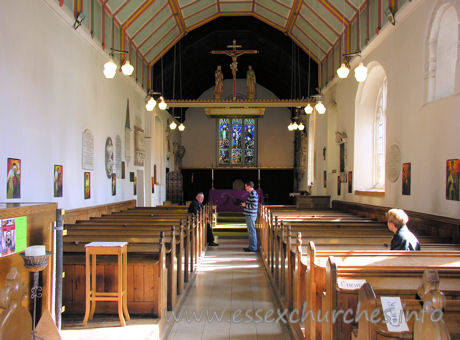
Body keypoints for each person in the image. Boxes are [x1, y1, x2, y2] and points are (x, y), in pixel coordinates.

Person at [241, 181, 258, 252]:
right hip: (250, 214)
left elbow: (253, 205)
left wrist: (245, 205)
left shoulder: (253, 193)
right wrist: (245, 204)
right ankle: (251, 246)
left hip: (251, 215)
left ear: (249, 186)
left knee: (252, 231)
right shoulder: (251, 193)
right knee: (250, 231)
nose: (245, 188)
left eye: (246, 186)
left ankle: (253, 247)